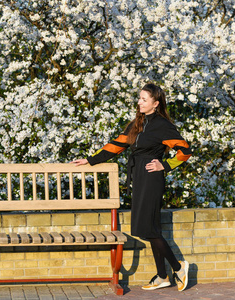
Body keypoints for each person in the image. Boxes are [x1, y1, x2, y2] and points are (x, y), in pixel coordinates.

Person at [71, 83, 192, 291]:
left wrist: (164, 164)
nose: (139, 102)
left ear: (155, 104)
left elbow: (185, 151)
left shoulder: (163, 125)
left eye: (144, 99)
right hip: (139, 177)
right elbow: (116, 145)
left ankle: (178, 266)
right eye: (139, 98)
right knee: (147, 228)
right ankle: (162, 276)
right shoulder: (137, 123)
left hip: (152, 179)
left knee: (148, 228)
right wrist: (91, 160)